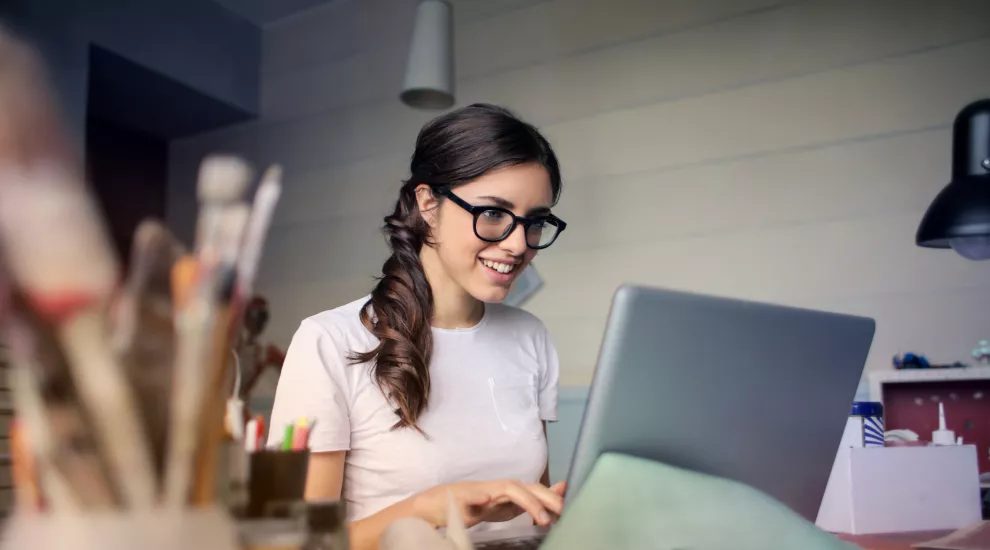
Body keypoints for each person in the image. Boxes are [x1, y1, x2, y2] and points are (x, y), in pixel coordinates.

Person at [267, 103, 568, 550]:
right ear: (428, 204)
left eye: (535, 222)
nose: (519, 243)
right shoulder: (329, 341)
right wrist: (429, 508)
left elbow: (535, 515)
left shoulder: (530, 336)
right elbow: (298, 544)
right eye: (493, 214)